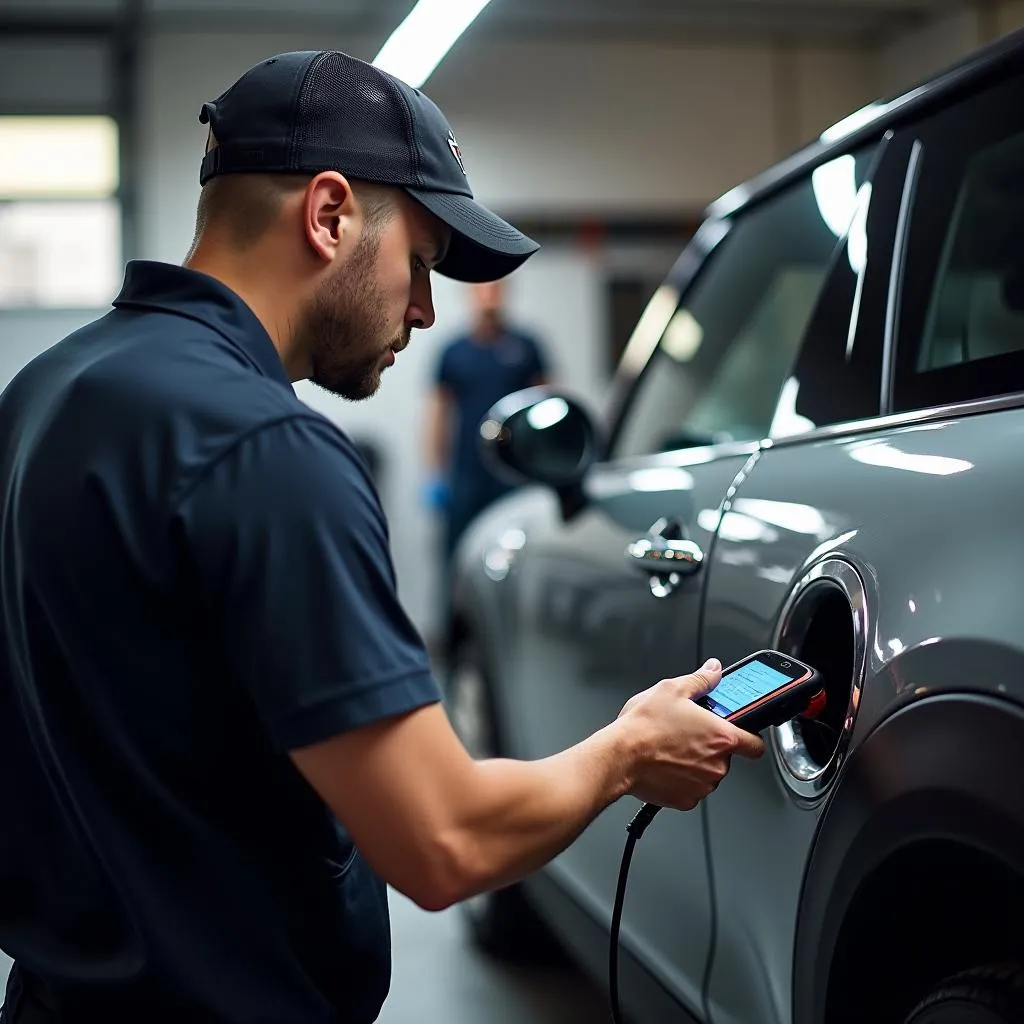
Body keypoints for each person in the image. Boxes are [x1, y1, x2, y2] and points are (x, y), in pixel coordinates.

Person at [0, 50, 763, 1024]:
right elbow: (445, 841)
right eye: (422, 261)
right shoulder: (267, 448)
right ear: (328, 215)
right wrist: (626, 750)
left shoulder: (43, 396)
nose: (425, 309)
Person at [423, 279, 550, 565]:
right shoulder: (453, 352)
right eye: (482, 289)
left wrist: (545, 467)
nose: (489, 296)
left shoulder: (526, 347)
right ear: (470, 295)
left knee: (515, 558)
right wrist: (434, 474)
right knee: (457, 558)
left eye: (496, 289)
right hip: (466, 475)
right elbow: (438, 415)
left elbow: (546, 404)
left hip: (514, 474)